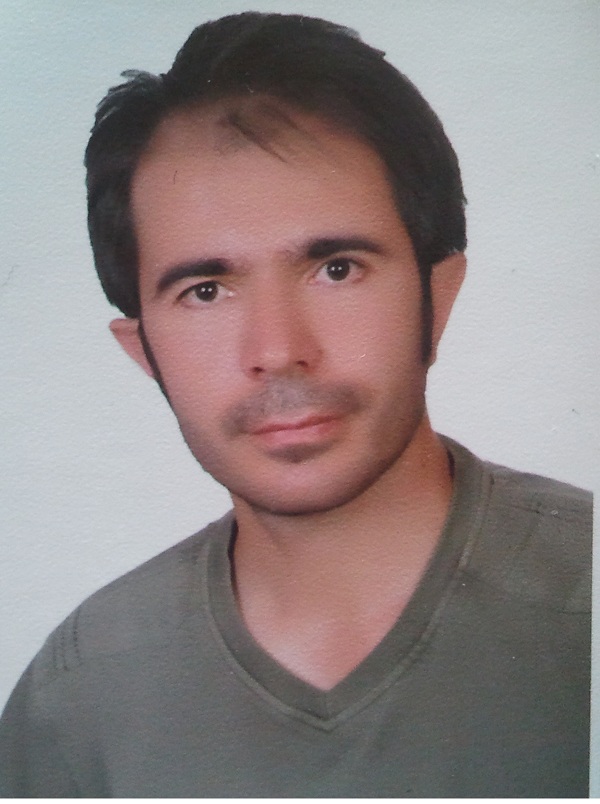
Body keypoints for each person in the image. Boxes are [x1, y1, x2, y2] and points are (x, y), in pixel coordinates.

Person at [0, 11, 591, 797]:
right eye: (205, 290)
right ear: (144, 352)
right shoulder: (78, 698)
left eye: (336, 268)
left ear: (438, 297)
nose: (278, 349)